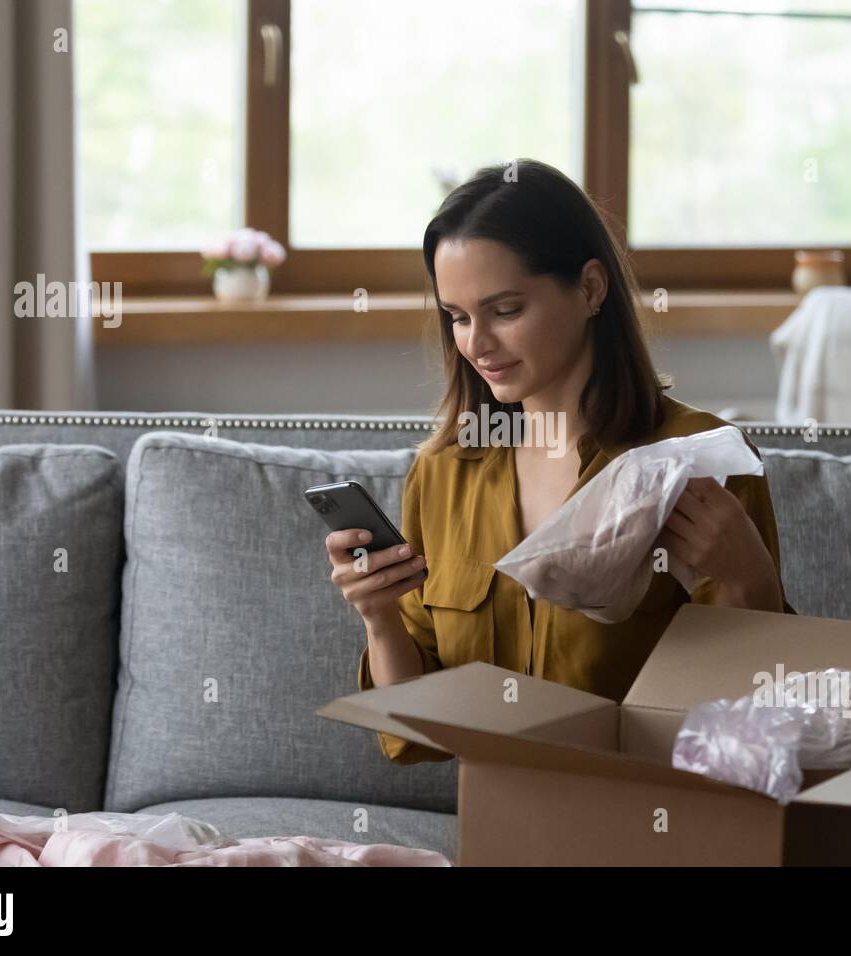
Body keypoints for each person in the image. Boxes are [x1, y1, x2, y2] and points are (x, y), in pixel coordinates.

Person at [325, 159, 796, 764]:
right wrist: (379, 616)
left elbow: (748, 717)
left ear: (591, 288)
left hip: (658, 819)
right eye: (459, 317)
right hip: (504, 816)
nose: (477, 345)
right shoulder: (443, 470)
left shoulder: (695, 459)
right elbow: (418, 730)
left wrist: (749, 578)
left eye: (506, 310)